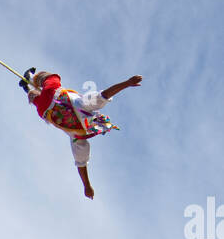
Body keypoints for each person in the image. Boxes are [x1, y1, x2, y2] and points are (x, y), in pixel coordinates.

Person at [19, 67, 142, 199]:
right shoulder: (78, 137)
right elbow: (81, 164)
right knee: (38, 101)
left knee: (50, 78)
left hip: (53, 93)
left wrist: (127, 83)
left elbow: (105, 94)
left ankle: (31, 77)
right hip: (45, 110)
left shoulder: (87, 106)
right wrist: (87, 186)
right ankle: (27, 89)